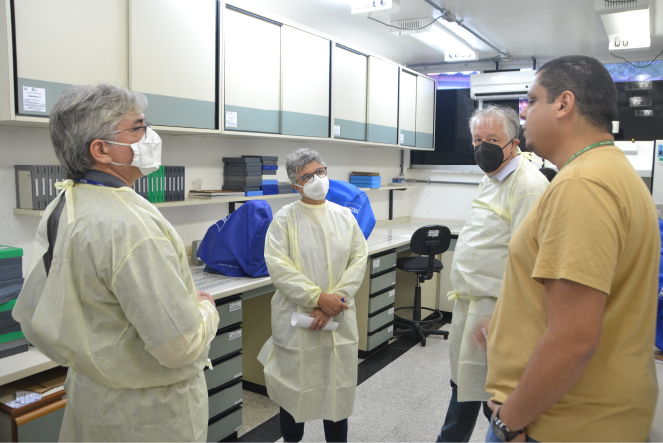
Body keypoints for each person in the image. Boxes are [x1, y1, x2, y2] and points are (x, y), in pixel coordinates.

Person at [13, 84, 220, 442]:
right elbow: (179, 346)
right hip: (147, 414)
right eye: (138, 127)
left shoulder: (64, 205)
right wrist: (206, 309)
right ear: (101, 149)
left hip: (94, 398)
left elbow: (39, 312)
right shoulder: (131, 225)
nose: (150, 135)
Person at [483, 55, 659, 442]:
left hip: (559, 424)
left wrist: (508, 422)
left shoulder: (582, 185)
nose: (523, 113)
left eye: (532, 100)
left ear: (564, 104)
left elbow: (574, 339)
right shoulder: (613, 172)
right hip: (603, 417)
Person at [436, 106, 549, 442]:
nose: (482, 147)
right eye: (477, 140)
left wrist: (505, 322)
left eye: (492, 140)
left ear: (514, 143)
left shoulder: (527, 186)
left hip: (498, 311)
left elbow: (530, 264)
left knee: (496, 400)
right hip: (473, 307)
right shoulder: (492, 178)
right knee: (464, 387)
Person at [258, 148, 368, 442]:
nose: (317, 179)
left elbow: (358, 261)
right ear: (296, 185)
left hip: (337, 318)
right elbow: (279, 268)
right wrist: (318, 298)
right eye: (307, 176)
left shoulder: (345, 217)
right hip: (298, 322)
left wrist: (334, 301)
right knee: (294, 391)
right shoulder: (284, 220)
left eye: (320, 171)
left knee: (336, 391)